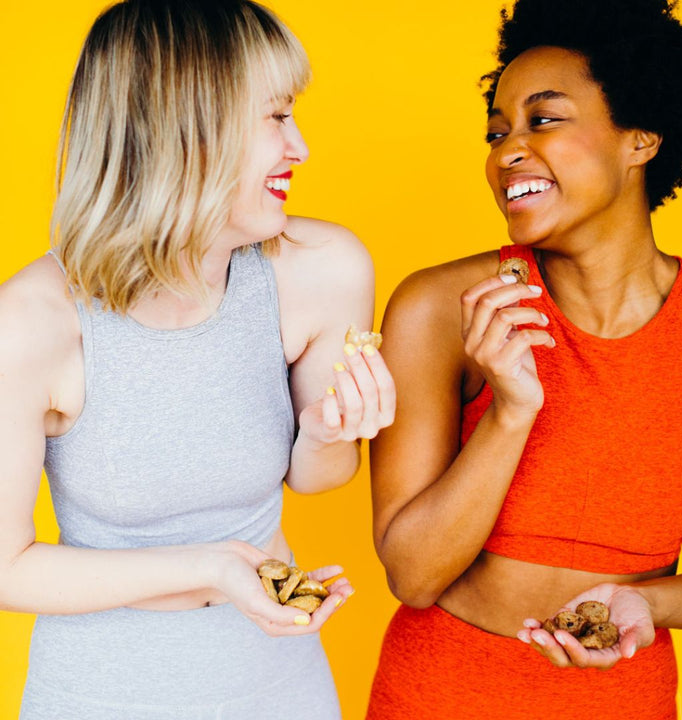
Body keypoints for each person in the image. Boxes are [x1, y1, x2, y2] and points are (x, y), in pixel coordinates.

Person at [0, 1, 395, 718]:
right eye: (276, 117)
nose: (301, 147)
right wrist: (210, 566)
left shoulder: (323, 270)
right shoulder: (33, 324)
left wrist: (329, 433)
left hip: (279, 685)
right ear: (188, 128)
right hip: (99, 695)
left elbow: (317, 480)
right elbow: (5, 569)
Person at [366, 0, 682, 718]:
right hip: (438, 693)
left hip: (624, 700)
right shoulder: (440, 308)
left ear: (641, 138)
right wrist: (511, 411)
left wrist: (647, 603)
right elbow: (413, 575)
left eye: (543, 120)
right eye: (498, 132)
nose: (507, 151)